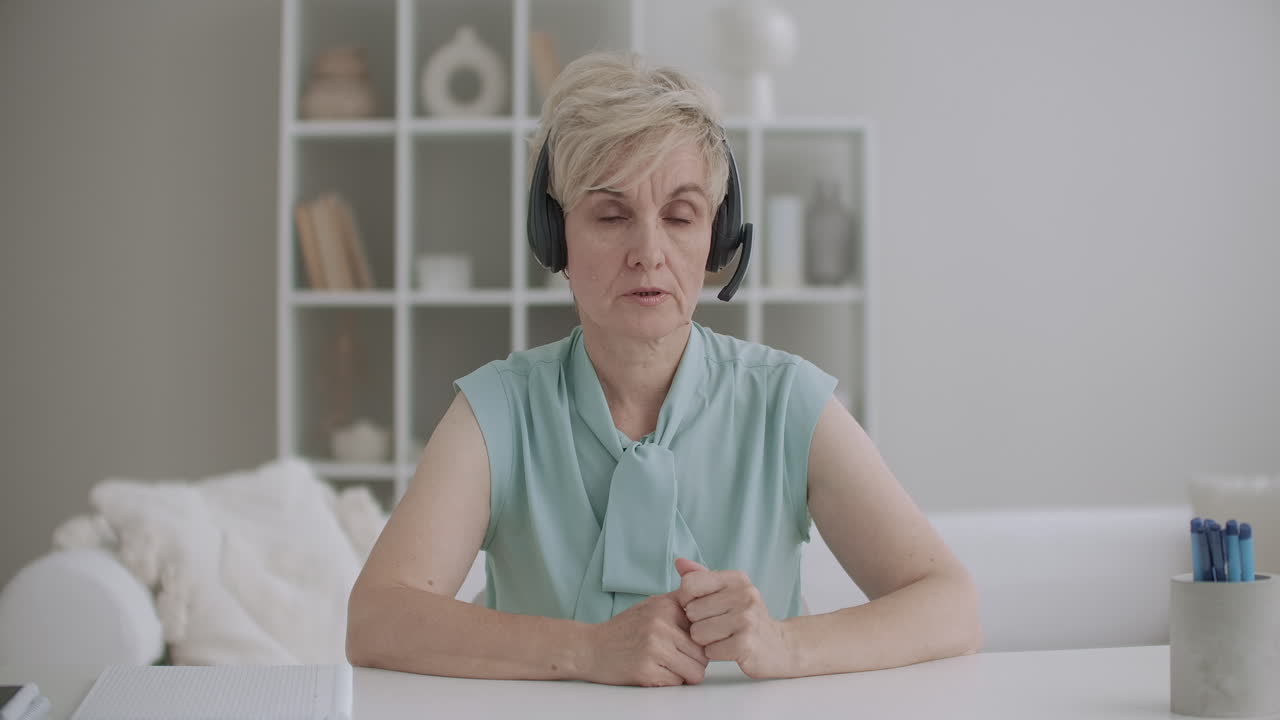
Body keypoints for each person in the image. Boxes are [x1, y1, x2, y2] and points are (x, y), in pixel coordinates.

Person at [346, 51, 981, 687]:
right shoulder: (496, 412)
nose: (648, 253)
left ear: (717, 235)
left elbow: (951, 605)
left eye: (680, 216)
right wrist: (587, 651)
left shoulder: (786, 401)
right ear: (555, 234)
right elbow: (377, 619)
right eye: (611, 215)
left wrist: (787, 645)